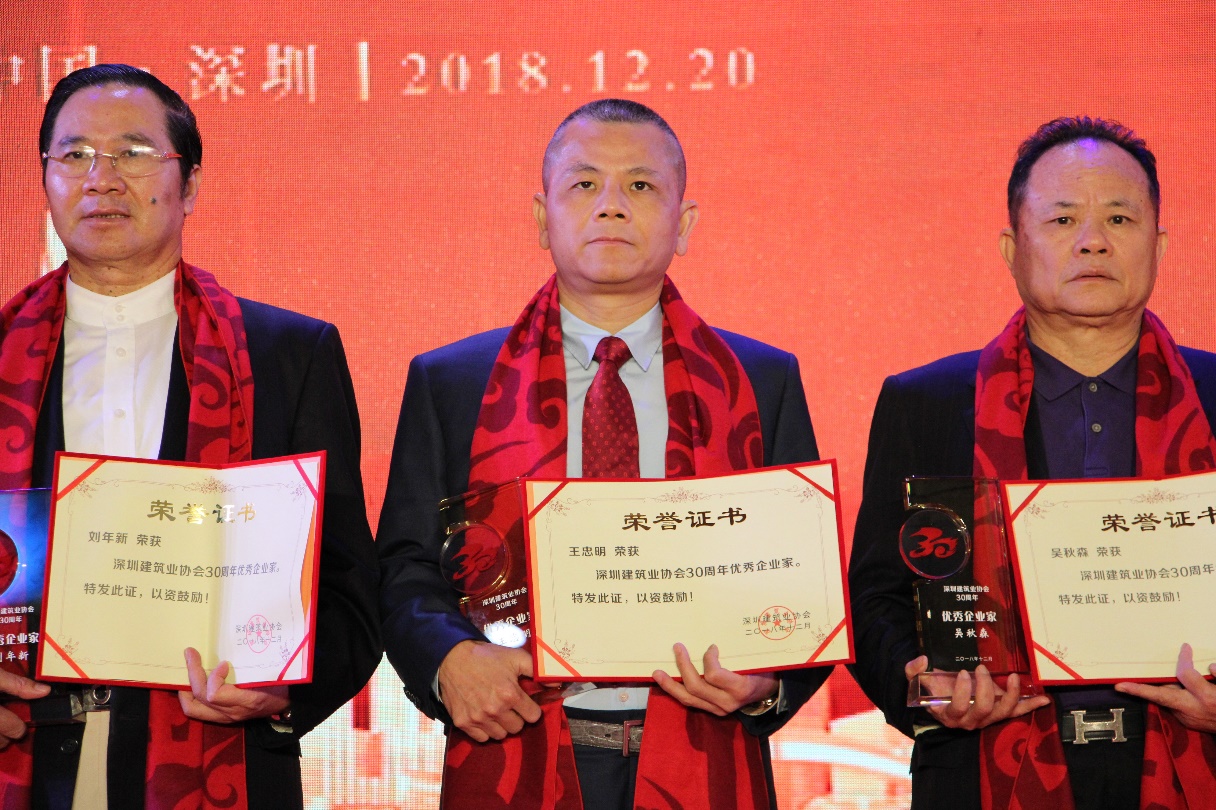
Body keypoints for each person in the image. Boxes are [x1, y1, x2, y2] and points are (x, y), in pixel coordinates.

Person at [378, 98, 829, 810]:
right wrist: (450, 659)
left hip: (702, 748)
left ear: (684, 224)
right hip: (517, 743)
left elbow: (803, 578)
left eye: (641, 186)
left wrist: (770, 681)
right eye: (584, 184)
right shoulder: (453, 381)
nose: (611, 205)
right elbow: (405, 565)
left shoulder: (760, 381)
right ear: (541, 218)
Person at [0, 64, 380, 809]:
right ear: (44, 179)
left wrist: (282, 692)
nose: (102, 178)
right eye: (74, 155)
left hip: (214, 762)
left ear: (191, 185)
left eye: (134, 153)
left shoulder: (288, 355)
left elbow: (347, 592)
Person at [848, 116, 1216, 810]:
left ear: (1161, 245)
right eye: (1062, 219)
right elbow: (876, 599)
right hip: (982, 772)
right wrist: (929, 690)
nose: (1093, 240)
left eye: (1119, 218)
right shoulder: (924, 402)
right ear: (1011, 249)